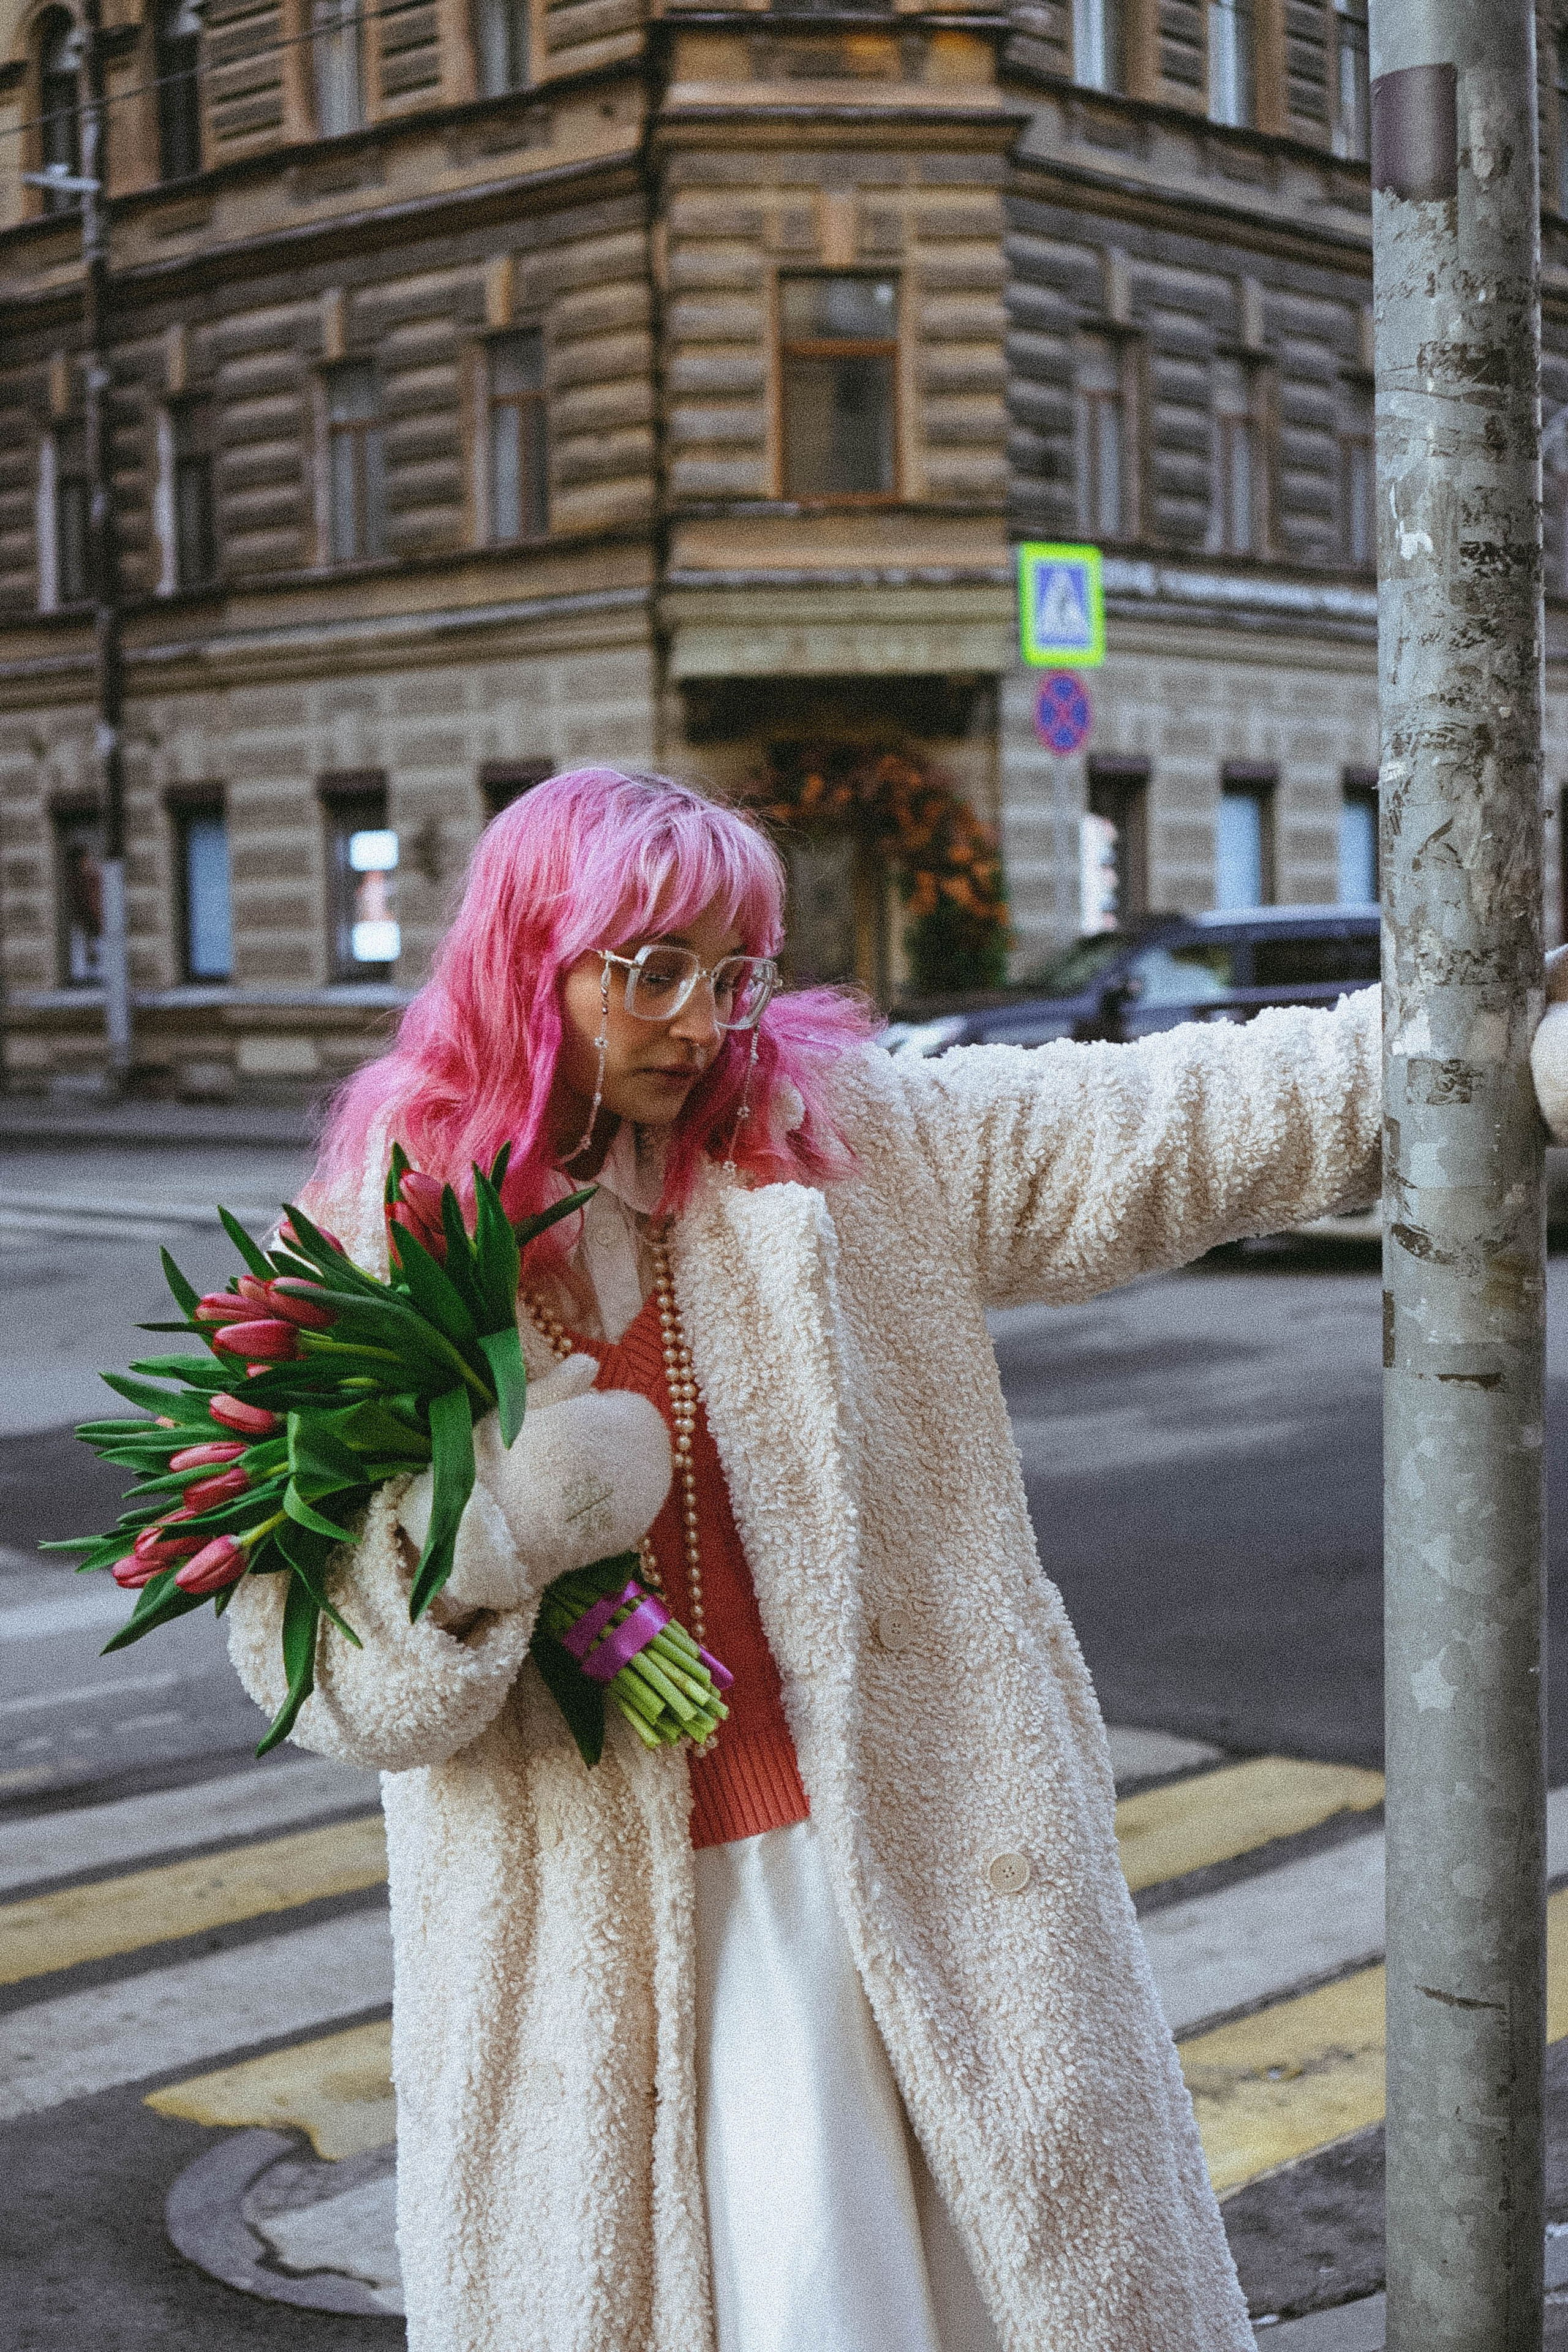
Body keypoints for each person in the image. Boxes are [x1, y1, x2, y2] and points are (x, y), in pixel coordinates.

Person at [225, 766, 1561, 2352]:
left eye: (734, 975)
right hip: (596, 1960)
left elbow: (1164, 1121)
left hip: (914, 1884)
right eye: (648, 971)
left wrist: (1481, 1048)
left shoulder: (842, 1153)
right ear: (530, 959)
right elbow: (305, 1658)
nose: (700, 1023)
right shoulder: (380, 1241)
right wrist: (492, 1539)